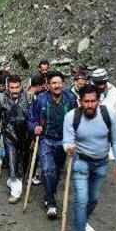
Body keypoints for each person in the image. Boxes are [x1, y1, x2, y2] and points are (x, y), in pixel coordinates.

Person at [63, 84, 116, 231]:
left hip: (101, 163)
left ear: (99, 100)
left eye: (93, 101)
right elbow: (67, 140)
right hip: (81, 162)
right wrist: (68, 148)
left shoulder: (108, 114)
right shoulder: (71, 116)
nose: (90, 105)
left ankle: (83, 221)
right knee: (82, 199)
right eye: (86, 101)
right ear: (80, 101)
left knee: (93, 199)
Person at [29, 70, 77, 218]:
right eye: (53, 83)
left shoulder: (70, 99)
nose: (57, 85)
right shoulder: (41, 100)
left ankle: (49, 193)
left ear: (63, 83)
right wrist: (34, 126)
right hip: (46, 140)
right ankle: (51, 203)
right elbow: (32, 118)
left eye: (59, 82)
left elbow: (77, 118)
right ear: (48, 85)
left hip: (64, 141)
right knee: (48, 169)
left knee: (56, 171)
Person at [0, 75, 30, 203]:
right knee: (13, 161)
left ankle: (13, 181)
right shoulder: (2, 98)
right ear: (8, 87)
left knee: (23, 162)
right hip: (9, 135)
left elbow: (34, 116)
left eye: (17, 87)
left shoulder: (29, 97)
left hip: (25, 136)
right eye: (12, 87)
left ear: (21, 86)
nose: (14, 90)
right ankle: (16, 192)